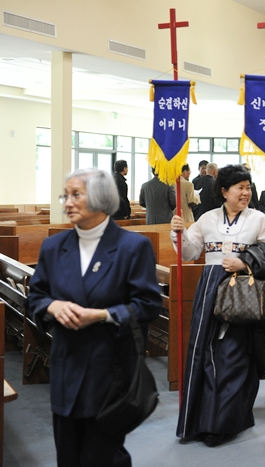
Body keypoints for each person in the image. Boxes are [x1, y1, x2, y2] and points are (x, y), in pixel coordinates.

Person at [26, 167, 161, 467]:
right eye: (65, 195)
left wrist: (102, 315)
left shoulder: (132, 247)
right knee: (68, 457)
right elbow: (35, 298)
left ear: (101, 198)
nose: (68, 202)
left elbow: (149, 305)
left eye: (76, 194)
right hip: (66, 367)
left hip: (110, 372)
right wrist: (52, 307)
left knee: (102, 457)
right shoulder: (54, 246)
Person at [173, 164, 265, 447]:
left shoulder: (260, 219)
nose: (246, 193)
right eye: (240, 188)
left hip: (242, 292)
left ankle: (224, 423)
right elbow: (189, 253)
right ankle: (200, 421)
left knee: (234, 357)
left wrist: (244, 262)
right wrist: (179, 233)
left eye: (248, 187)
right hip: (209, 290)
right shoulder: (207, 218)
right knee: (202, 354)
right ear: (224, 191)